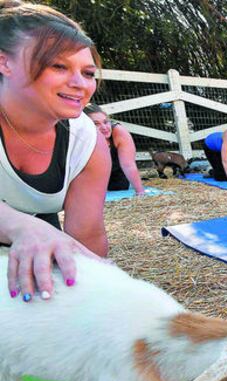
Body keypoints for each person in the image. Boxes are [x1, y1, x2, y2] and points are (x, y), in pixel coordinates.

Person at [0, 0, 110, 301]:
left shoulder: (87, 141)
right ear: (4, 63)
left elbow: (87, 237)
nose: (78, 84)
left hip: (38, 243)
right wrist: (21, 226)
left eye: (88, 73)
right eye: (58, 66)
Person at [84, 103, 144, 194]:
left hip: (116, 177)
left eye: (105, 122)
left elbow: (128, 165)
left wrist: (140, 192)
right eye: (96, 124)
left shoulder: (119, 132)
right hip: (89, 178)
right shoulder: (79, 137)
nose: (104, 127)